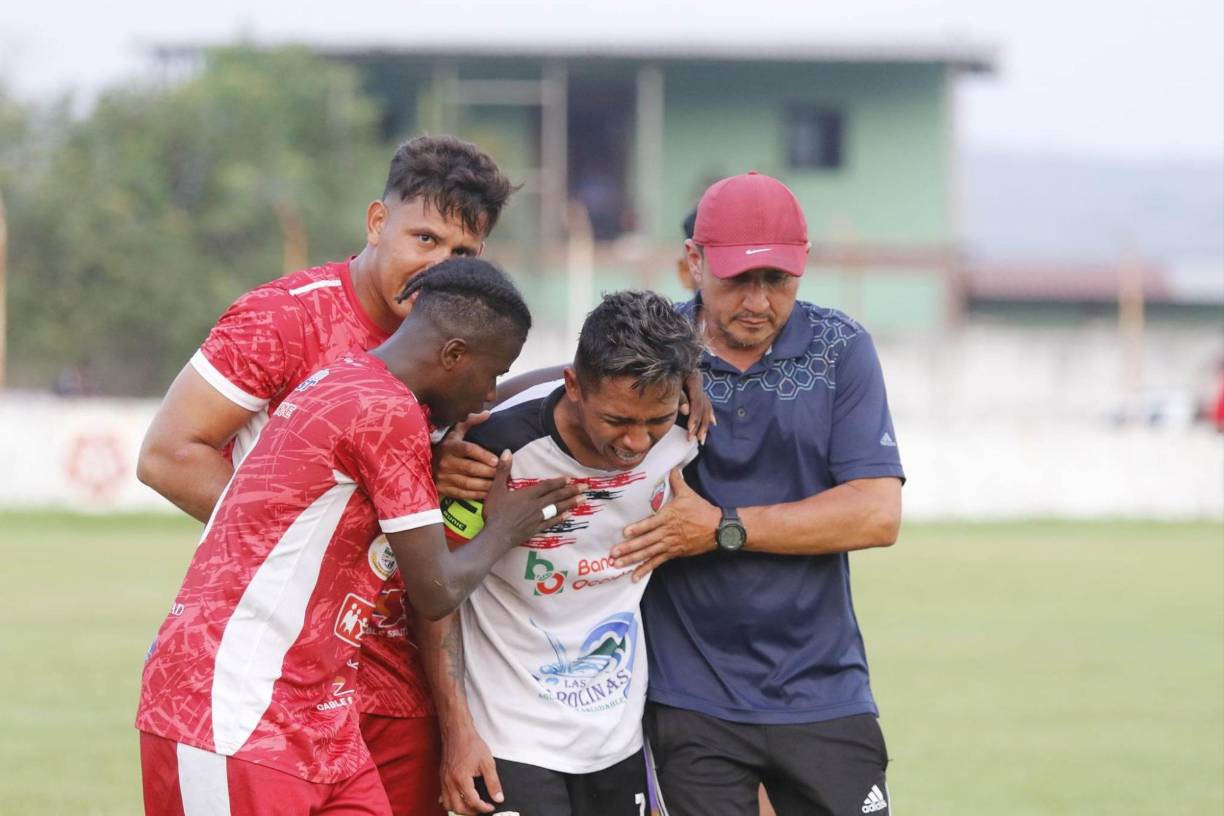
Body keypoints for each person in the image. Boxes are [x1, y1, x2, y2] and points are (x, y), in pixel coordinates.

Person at [136, 135, 513, 815]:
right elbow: (169, 453)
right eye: (423, 238)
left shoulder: (454, 357)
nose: (437, 268)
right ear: (376, 222)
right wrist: (313, 549)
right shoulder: (285, 317)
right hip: (264, 666)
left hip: (394, 679)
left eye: (462, 254)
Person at [609, 171, 905, 816]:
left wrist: (722, 526)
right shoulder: (653, 351)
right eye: (738, 279)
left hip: (823, 688)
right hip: (689, 695)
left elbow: (877, 513)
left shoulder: (840, 349)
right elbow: (574, 399)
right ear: (694, 262)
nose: (758, 301)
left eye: (778, 281)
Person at [423, 290, 704, 816]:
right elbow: (434, 593)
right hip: (508, 741)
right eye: (618, 420)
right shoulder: (492, 453)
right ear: (572, 386)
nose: (637, 443)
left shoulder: (687, 431)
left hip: (618, 741)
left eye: (656, 421)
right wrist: (457, 733)